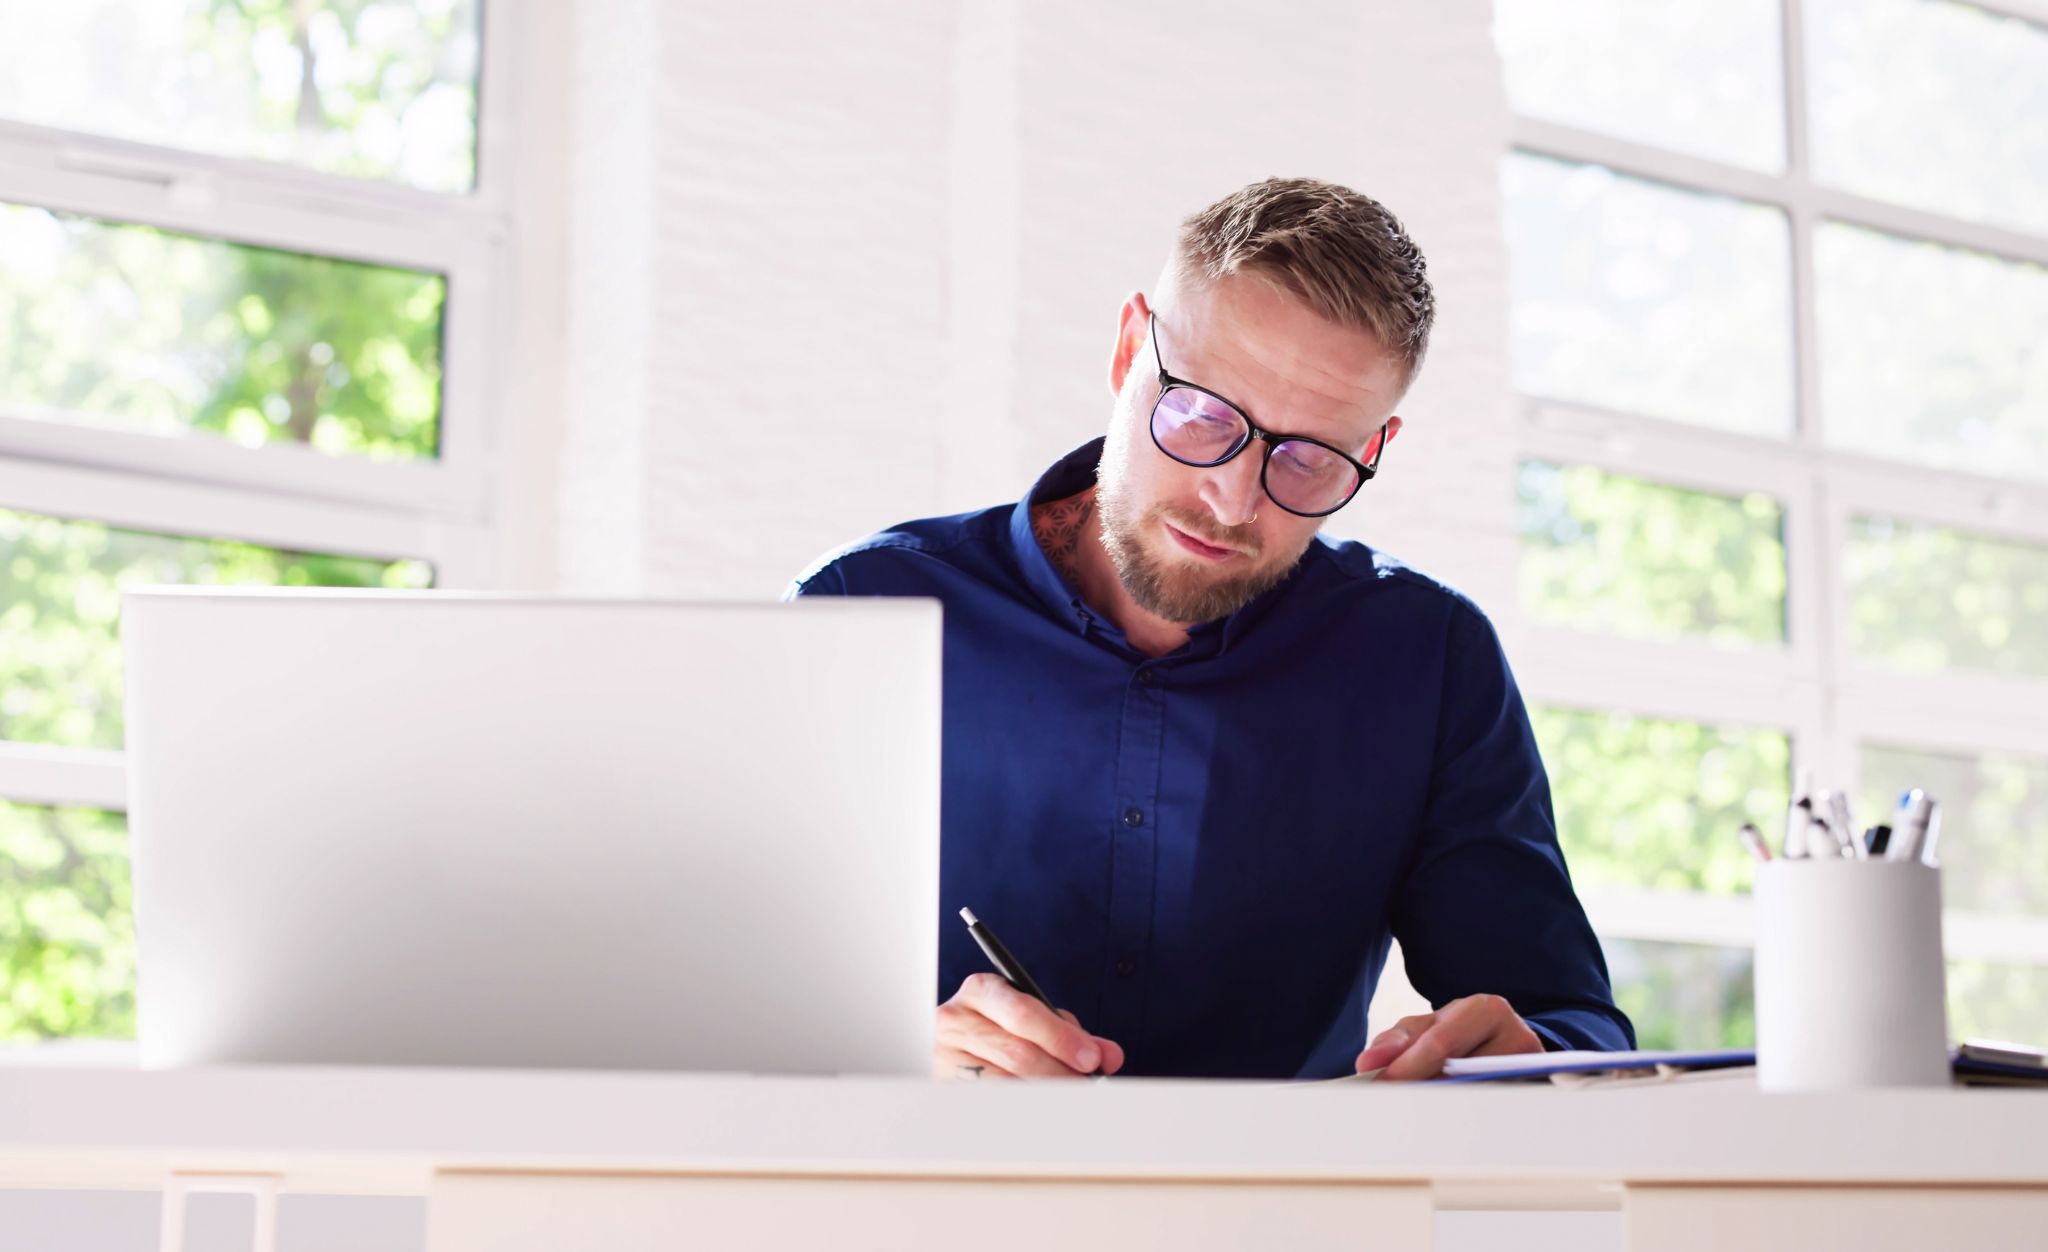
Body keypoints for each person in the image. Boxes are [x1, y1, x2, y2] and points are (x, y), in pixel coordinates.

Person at [789, 177, 1633, 1081]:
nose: (1231, 499)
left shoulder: (1430, 661)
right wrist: (890, 1048)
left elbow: (1573, 1026)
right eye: (1200, 415)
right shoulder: (863, 609)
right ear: (1127, 351)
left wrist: (1539, 1056)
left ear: (1375, 450)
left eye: (1310, 459)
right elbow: (722, 1005)